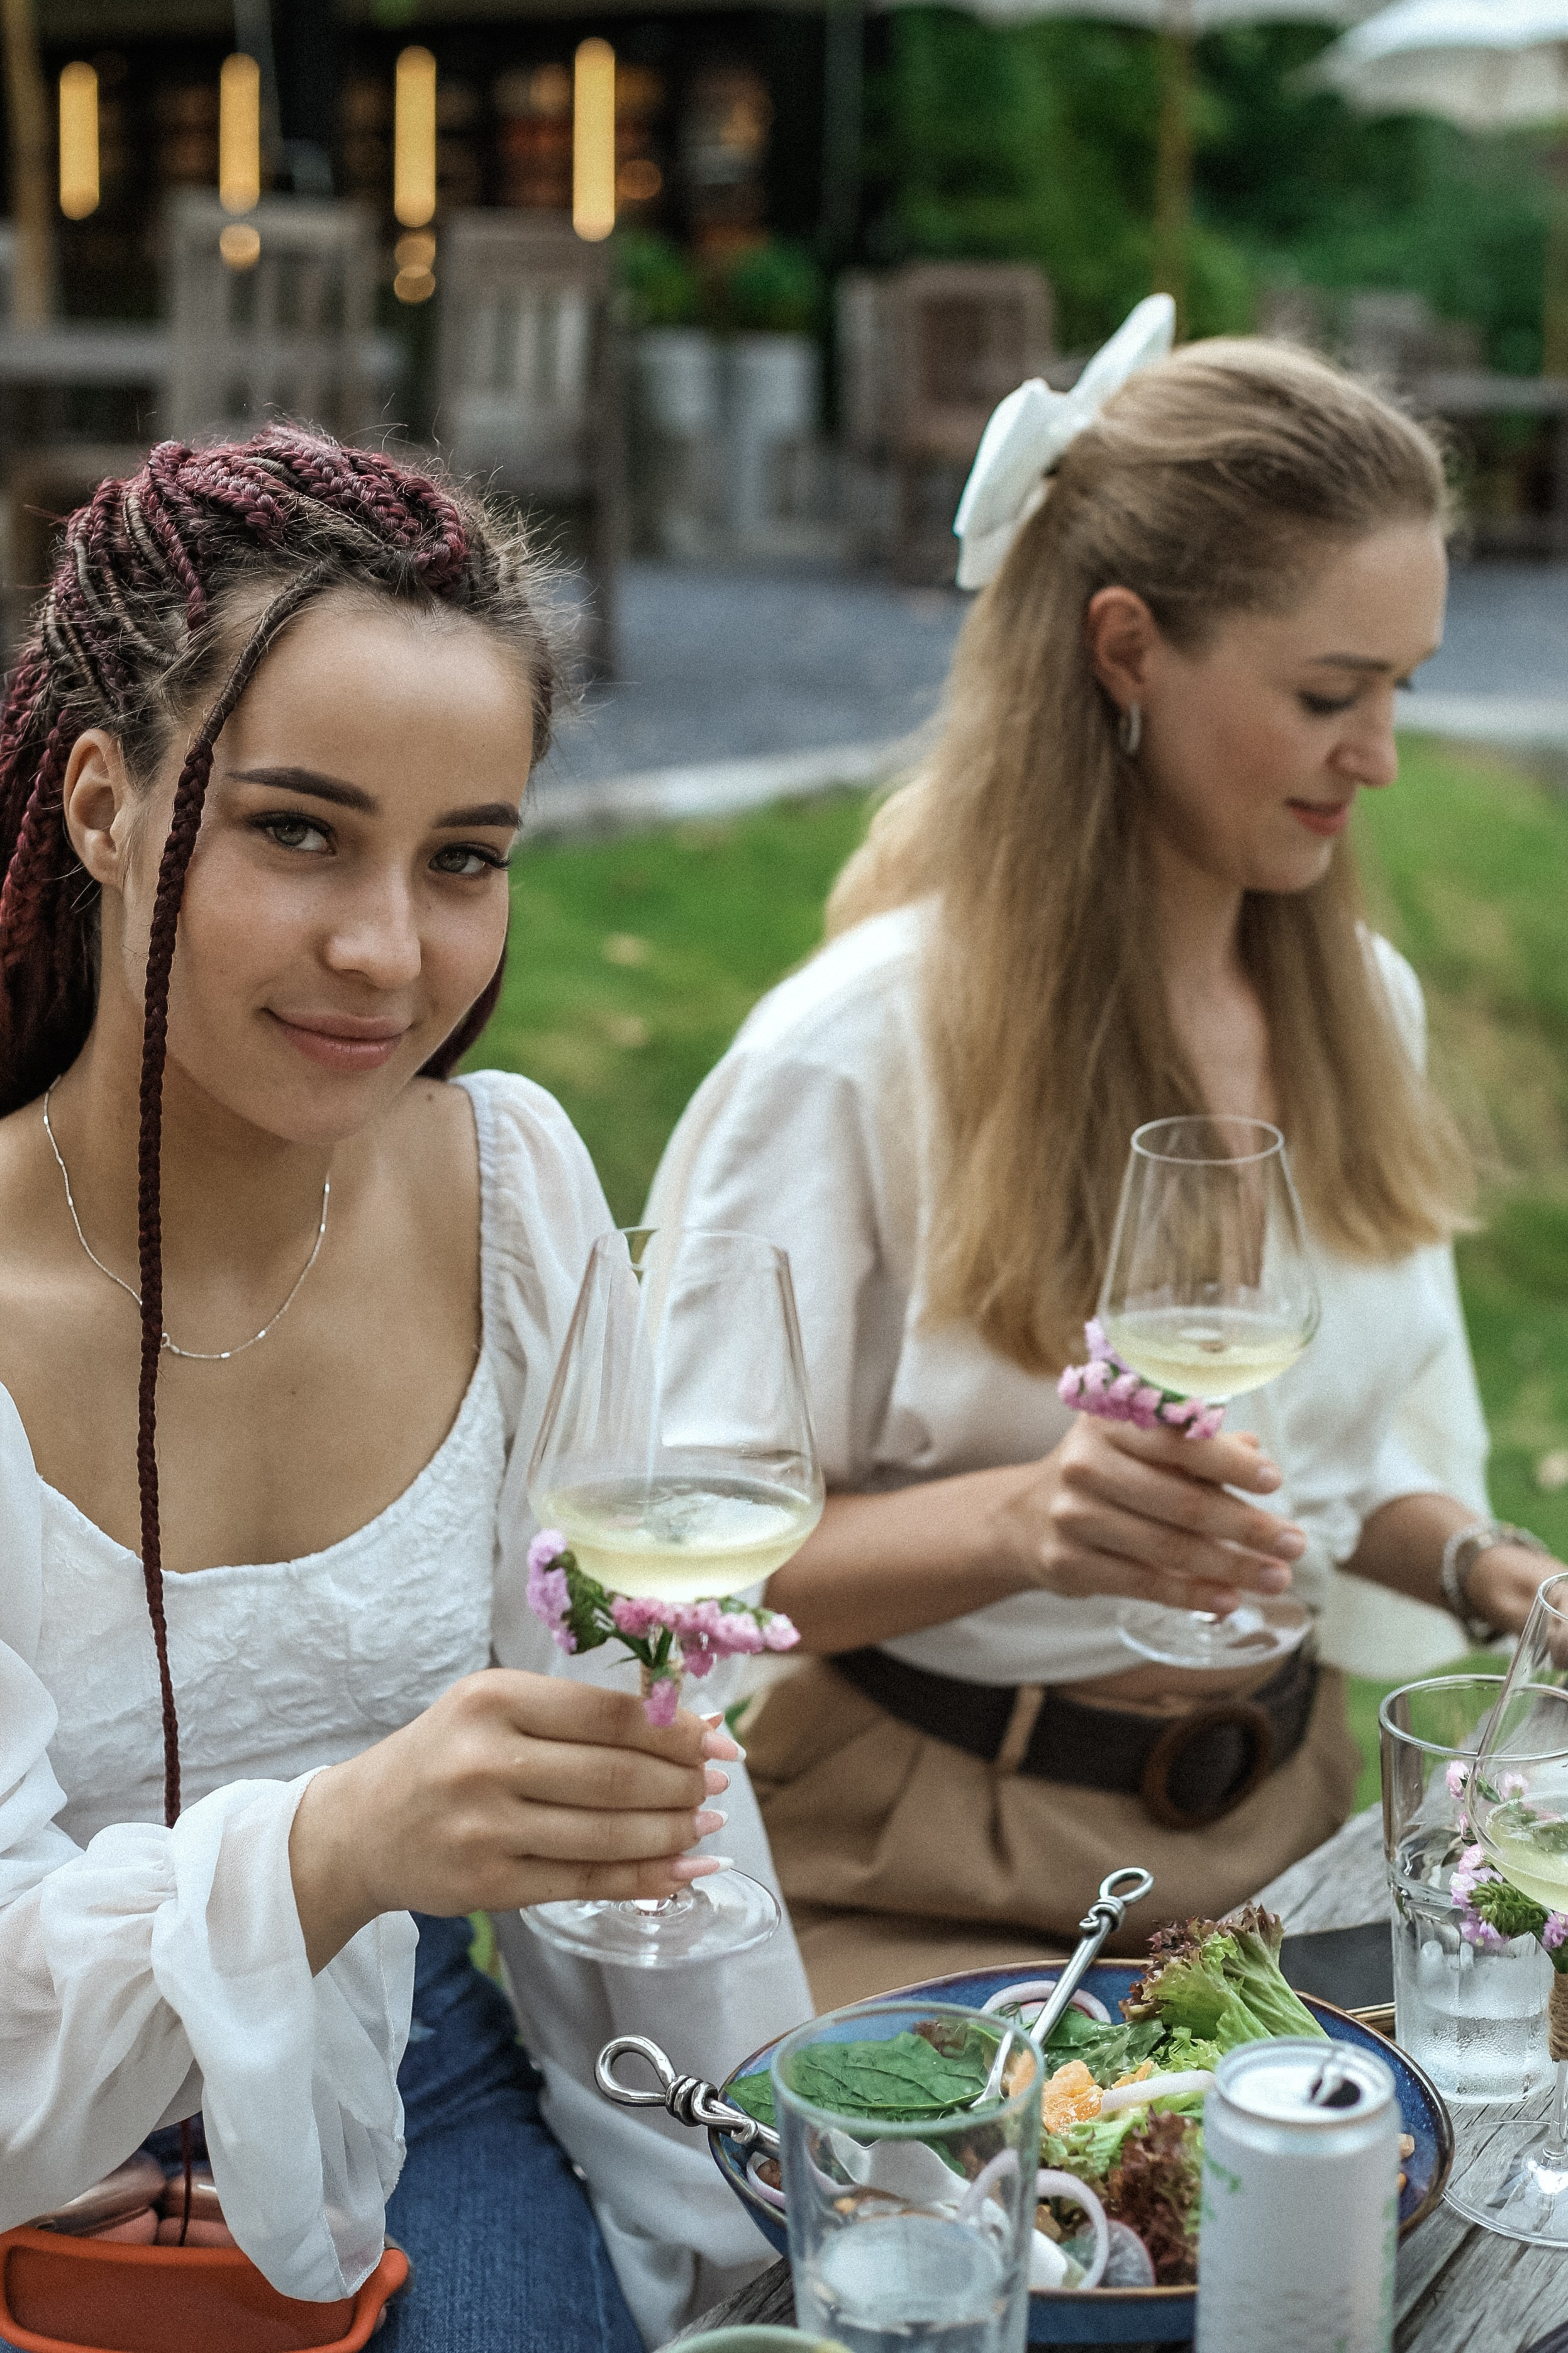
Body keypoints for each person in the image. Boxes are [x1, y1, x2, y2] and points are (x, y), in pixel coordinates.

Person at [647, 306, 1562, 2011]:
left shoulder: (1362, 1002)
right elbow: (687, 1554)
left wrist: (1493, 1573)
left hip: (1287, 1854)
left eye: (1399, 692)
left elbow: (1325, 1477)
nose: (1378, 755)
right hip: (926, 1869)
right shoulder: (851, 1053)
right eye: (1328, 694)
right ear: (1128, 647)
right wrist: (1030, 1521)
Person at [0, 428, 808, 2351]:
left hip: (408, 2071)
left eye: (463, 860)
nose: (388, 949)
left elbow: (634, 1803)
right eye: (300, 830)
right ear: (104, 805)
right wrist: (340, 1842)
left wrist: (779, 2222)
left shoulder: (515, 1195)